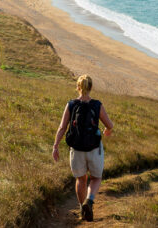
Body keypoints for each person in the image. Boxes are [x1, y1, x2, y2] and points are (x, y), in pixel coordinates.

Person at [53, 75, 114, 222]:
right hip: (94, 148)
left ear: (78, 87)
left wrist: (55, 146)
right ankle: (90, 201)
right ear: (91, 87)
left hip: (76, 149)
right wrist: (107, 131)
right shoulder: (97, 105)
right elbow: (109, 125)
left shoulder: (71, 104)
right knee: (96, 178)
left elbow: (62, 128)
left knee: (81, 179)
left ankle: (82, 208)